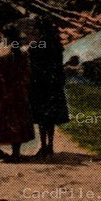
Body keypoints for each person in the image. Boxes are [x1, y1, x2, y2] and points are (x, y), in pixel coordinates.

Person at [0, 29, 35, 161]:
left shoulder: (0, 53)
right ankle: (16, 153)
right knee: (17, 119)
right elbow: (27, 75)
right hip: (17, 92)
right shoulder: (23, 55)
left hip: (0, 92)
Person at [26, 13, 70, 159]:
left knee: (41, 116)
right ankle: (50, 145)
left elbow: (31, 63)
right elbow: (59, 65)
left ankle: (44, 146)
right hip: (54, 83)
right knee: (50, 117)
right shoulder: (56, 44)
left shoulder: (37, 44)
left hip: (40, 83)